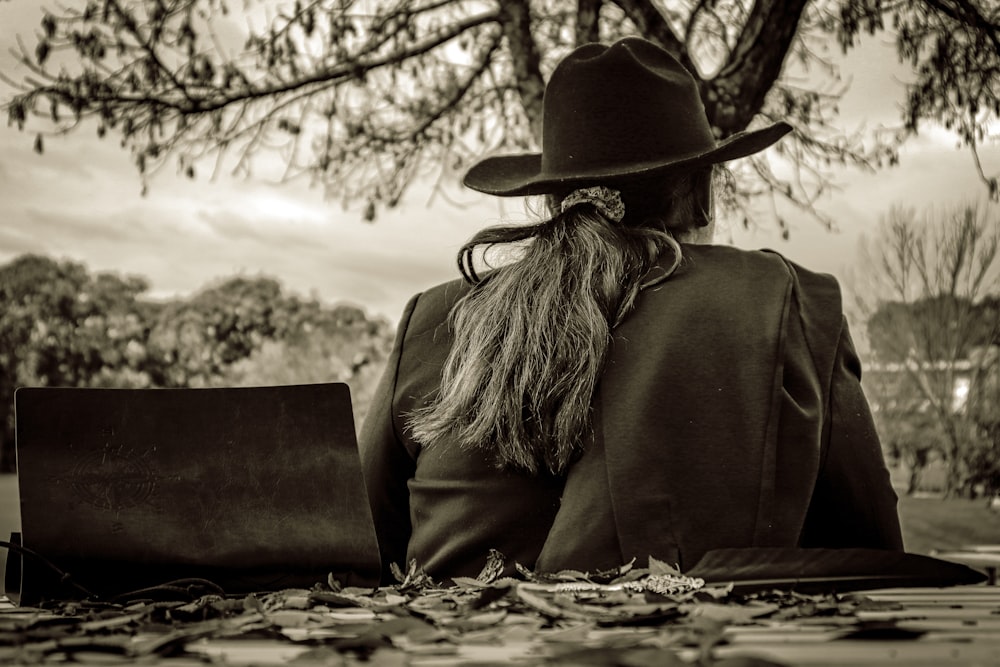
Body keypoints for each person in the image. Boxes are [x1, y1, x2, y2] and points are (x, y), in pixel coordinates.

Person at [359, 37, 903, 585]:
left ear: (553, 200)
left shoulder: (433, 319)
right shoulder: (790, 305)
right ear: (702, 194)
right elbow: (870, 558)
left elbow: (360, 550)